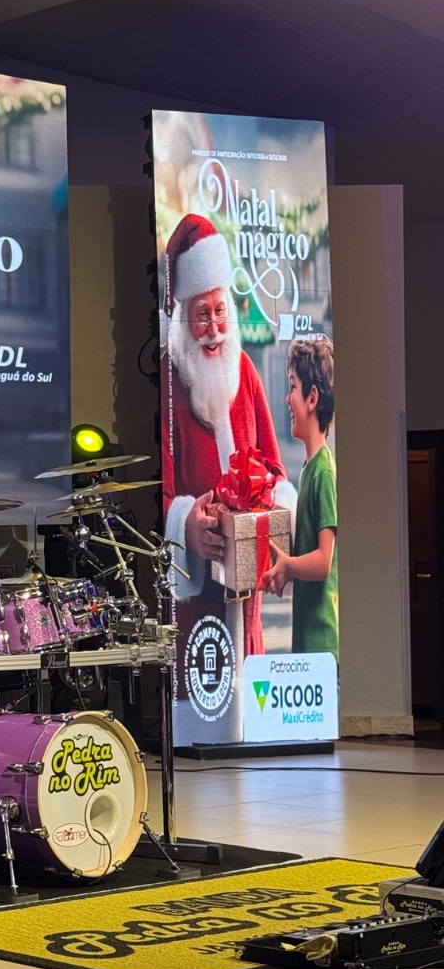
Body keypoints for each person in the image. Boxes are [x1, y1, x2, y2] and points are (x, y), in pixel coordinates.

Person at [160, 213, 290, 659]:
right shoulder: (168, 383)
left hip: (248, 586)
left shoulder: (246, 371)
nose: (214, 328)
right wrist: (187, 526)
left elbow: (274, 467)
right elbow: (157, 492)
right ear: (183, 320)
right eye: (201, 315)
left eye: (220, 311)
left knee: (248, 687)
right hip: (195, 598)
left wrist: (271, 513)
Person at [265, 338, 338, 658]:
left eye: (292, 387)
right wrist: (284, 570)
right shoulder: (309, 468)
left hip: (322, 638)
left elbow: (323, 563)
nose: (286, 398)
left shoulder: (323, 472)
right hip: (309, 635)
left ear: (311, 398)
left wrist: (288, 566)